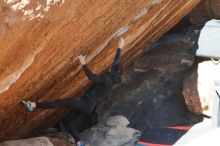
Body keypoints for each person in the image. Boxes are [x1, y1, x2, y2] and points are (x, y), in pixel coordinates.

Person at [21, 37, 125, 146]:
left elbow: (92, 77)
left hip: (83, 102)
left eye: (111, 67)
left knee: (58, 102)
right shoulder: (114, 79)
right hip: (89, 107)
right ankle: (80, 142)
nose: (110, 67)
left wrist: (83, 63)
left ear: (113, 70)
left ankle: (32, 105)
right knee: (67, 123)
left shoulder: (107, 79)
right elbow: (116, 63)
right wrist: (119, 47)